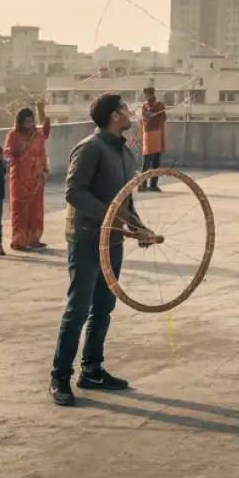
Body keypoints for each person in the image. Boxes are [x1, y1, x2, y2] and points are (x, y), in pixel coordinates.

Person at [50, 93, 156, 406]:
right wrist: (110, 216)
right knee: (78, 309)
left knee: (104, 307)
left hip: (113, 240)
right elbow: (74, 193)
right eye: (125, 108)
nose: (130, 112)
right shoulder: (89, 148)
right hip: (85, 238)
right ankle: (59, 376)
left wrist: (138, 228)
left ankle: (92, 370)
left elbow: (125, 201)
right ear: (113, 116)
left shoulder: (125, 153)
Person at [5, 101, 51, 250]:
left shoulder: (38, 134)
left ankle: (34, 239)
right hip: (19, 177)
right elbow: (10, 152)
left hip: (37, 177)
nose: (30, 124)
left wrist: (41, 111)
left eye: (32, 121)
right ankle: (19, 240)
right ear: (20, 121)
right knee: (20, 208)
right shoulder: (13, 134)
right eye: (27, 121)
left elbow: (46, 129)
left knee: (36, 208)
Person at [138, 86, 167, 192]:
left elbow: (162, 118)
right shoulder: (145, 106)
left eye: (147, 94)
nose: (146, 97)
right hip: (148, 135)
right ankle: (143, 185)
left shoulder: (159, 105)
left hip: (156, 134)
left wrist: (152, 117)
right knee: (147, 162)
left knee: (155, 161)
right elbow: (143, 119)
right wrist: (149, 116)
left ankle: (152, 185)